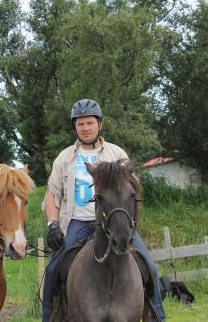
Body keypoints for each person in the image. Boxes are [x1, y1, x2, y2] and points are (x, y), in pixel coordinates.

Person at [42, 99, 166, 322]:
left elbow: (133, 193)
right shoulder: (64, 158)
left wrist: (131, 223)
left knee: (150, 267)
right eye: (80, 124)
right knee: (52, 271)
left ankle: (157, 315)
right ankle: (49, 317)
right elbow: (52, 195)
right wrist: (53, 224)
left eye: (90, 122)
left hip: (116, 222)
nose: (85, 128)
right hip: (78, 223)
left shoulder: (116, 153)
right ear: (75, 127)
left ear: (99, 124)